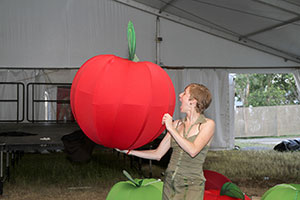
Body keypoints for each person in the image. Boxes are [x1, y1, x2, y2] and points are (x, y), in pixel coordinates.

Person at [118, 83, 215, 200]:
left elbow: (193, 150)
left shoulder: (207, 125)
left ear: (193, 101)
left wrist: (170, 129)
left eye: (184, 93)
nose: (180, 96)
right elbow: (157, 154)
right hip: (170, 183)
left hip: (191, 185)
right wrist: (129, 151)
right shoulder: (176, 124)